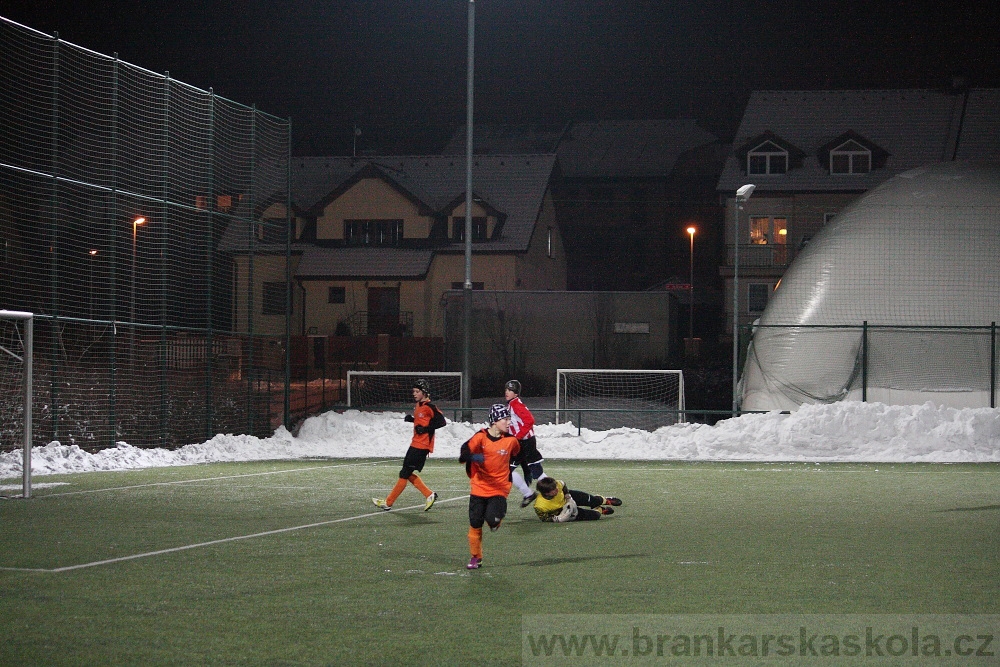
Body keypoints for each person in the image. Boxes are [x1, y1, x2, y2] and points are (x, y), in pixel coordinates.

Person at [457, 403, 521, 570]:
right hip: (478, 487)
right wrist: (473, 457)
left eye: (509, 419)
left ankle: (496, 520)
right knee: (475, 522)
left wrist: (515, 468)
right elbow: (464, 452)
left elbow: (518, 454)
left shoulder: (510, 440)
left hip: (499, 488)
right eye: (505, 419)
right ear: (494, 421)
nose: (509, 423)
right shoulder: (480, 437)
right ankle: (476, 557)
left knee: (492, 520)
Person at [372, 378, 446, 512]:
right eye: (414, 391)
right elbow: (422, 421)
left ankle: (388, 502)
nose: (414, 394)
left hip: (422, 446)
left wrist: (425, 430)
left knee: (404, 472)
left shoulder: (430, 407)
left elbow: (441, 422)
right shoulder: (418, 405)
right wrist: (413, 420)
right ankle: (429, 495)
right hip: (416, 443)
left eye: (417, 391)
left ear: (424, 392)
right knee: (406, 472)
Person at [504, 379, 549, 508]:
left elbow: (529, 420)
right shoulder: (513, 404)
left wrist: (517, 437)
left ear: (516, 393)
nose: (507, 392)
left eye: (510, 390)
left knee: (507, 470)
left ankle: (529, 493)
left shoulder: (516, 405)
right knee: (536, 471)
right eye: (506, 389)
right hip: (526, 442)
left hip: (524, 443)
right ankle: (554, 491)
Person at [532, 476, 622, 522]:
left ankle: (605, 500)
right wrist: (557, 518)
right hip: (562, 510)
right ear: (546, 493)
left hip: (568, 497)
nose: (557, 489)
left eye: (556, 487)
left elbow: (563, 485)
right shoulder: (540, 506)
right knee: (595, 516)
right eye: (553, 490)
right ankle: (600, 510)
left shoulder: (556, 484)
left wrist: (567, 496)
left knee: (591, 500)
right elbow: (544, 518)